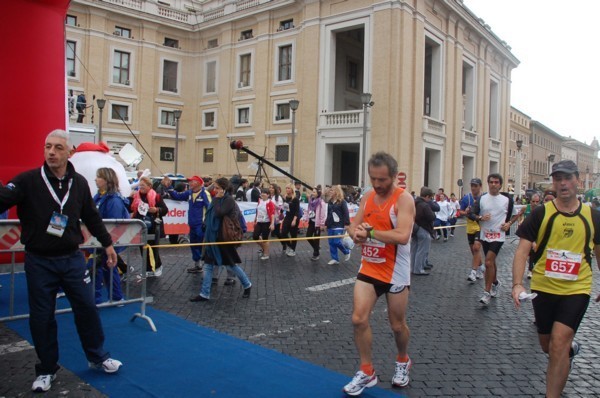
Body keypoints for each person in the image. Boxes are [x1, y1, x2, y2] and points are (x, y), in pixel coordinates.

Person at [0, 129, 122, 393]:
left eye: (57, 147)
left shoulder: (78, 183)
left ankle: (98, 356)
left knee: (87, 309)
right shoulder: (28, 181)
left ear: (70, 152)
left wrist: (108, 244)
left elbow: (91, 216)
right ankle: (46, 369)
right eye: (47, 147)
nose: (51, 152)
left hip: (71, 259)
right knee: (42, 318)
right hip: (39, 261)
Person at [512, 160, 600, 398]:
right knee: (547, 345)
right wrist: (518, 283)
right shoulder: (541, 213)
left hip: (577, 288)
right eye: (558, 179)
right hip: (543, 287)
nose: (563, 183)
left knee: (559, 343)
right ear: (553, 183)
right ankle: (566, 353)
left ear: (577, 182)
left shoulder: (592, 216)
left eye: (568, 178)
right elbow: (521, 251)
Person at [345, 152, 415, 395]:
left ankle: (403, 359)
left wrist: (371, 233)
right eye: (373, 179)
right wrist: (355, 232)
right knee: (358, 319)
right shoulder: (368, 196)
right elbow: (354, 225)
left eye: (382, 180)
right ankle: (367, 371)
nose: (377, 184)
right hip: (370, 267)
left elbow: (402, 235)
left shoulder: (404, 200)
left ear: (394, 177)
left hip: (395, 272)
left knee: (397, 326)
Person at [189, 177, 252, 301]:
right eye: (215, 188)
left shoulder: (228, 200)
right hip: (212, 237)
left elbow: (219, 213)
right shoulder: (216, 199)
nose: (215, 190)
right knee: (208, 265)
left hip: (223, 238)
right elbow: (210, 214)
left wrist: (217, 199)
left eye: (217, 188)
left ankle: (247, 284)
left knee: (231, 265)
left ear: (224, 188)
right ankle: (204, 293)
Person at [469, 173, 518, 305]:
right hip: (485, 234)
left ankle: (486, 292)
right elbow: (471, 213)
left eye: (496, 182)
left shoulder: (507, 200)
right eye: (491, 182)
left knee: (489, 262)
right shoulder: (482, 199)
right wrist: (480, 218)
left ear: (500, 184)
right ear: (488, 183)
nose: (494, 184)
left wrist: (509, 224)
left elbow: (515, 215)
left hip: (498, 235)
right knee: (492, 262)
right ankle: (495, 282)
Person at [93, 167, 130, 304]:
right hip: (99, 240)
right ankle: (116, 297)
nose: (95, 179)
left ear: (106, 180)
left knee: (98, 267)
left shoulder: (114, 200)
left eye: (98, 177)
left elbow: (113, 224)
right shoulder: (99, 196)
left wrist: (107, 242)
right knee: (108, 267)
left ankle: (98, 298)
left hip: (105, 241)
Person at [168, 176, 211, 273]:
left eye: (192, 181)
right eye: (190, 181)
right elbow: (177, 196)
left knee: (201, 245)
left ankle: (208, 265)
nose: (190, 183)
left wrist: (206, 222)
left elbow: (211, 209)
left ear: (198, 183)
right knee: (193, 244)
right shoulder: (190, 192)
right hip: (192, 224)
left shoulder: (205, 194)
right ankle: (198, 264)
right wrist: (169, 187)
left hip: (201, 224)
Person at [130, 176, 168, 276]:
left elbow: (165, 210)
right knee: (142, 248)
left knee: (152, 247)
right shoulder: (135, 196)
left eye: (143, 185)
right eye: (140, 185)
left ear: (149, 186)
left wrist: (156, 210)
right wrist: (130, 197)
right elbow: (129, 208)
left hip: (153, 226)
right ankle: (148, 269)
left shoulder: (156, 196)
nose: (141, 187)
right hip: (140, 226)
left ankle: (156, 266)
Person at [460, 178, 485, 282]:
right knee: (473, 250)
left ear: (480, 186)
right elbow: (460, 211)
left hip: (480, 226)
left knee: (476, 247)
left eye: (476, 186)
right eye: (472, 186)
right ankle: (481, 267)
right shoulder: (467, 198)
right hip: (470, 226)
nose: (474, 188)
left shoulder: (484, 197)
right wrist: (465, 212)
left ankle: (473, 272)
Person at [411, 187, 437, 275]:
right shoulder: (424, 205)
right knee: (422, 250)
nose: (430, 200)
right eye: (430, 198)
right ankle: (418, 269)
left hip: (414, 228)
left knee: (414, 249)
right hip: (423, 229)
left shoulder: (414, 202)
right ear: (426, 196)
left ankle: (412, 268)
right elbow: (431, 217)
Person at [325, 185, 351, 265]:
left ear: (336, 192)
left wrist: (347, 223)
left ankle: (346, 251)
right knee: (331, 242)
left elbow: (346, 213)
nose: (330, 192)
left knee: (336, 241)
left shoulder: (342, 202)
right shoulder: (329, 202)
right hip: (330, 225)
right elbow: (328, 213)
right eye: (330, 190)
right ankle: (335, 258)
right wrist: (326, 223)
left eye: (332, 190)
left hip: (339, 225)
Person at [304, 186, 327, 261]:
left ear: (318, 194)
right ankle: (316, 247)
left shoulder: (321, 202)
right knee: (308, 236)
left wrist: (322, 224)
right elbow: (308, 210)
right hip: (311, 222)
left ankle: (316, 254)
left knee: (317, 239)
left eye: (314, 192)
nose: (312, 193)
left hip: (317, 224)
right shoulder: (310, 201)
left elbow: (323, 214)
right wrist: (306, 218)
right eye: (312, 192)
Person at [253, 188, 275, 260]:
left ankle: (266, 254)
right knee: (255, 236)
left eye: (264, 193)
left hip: (266, 223)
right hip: (259, 222)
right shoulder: (260, 201)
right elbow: (258, 210)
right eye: (262, 192)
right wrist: (255, 218)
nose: (262, 194)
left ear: (268, 195)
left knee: (265, 239)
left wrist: (272, 224)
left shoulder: (270, 203)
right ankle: (264, 248)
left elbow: (272, 214)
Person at [281, 183, 301, 257]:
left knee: (293, 235)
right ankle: (290, 246)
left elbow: (297, 210)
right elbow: (284, 207)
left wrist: (294, 220)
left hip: (294, 218)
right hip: (287, 217)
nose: (287, 189)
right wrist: (281, 213)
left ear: (292, 189)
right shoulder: (285, 197)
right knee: (283, 232)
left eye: (288, 188)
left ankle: (293, 250)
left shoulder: (295, 199)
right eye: (286, 188)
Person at [269, 183, 285, 252]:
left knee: (277, 232)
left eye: (272, 188)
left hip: (276, 217)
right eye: (270, 187)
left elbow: (281, 207)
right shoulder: (269, 196)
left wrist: (273, 205)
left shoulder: (278, 197)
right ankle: (264, 247)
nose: (270, 189)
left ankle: (284, 243)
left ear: (275, 189)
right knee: (265, 232)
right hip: (269, 217)